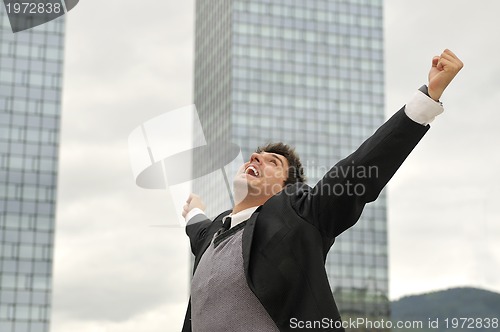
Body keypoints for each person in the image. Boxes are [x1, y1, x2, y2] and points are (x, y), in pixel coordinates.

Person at [181, 49, 463, 332]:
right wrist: (194, 209)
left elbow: (357, 172)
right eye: (255, 155)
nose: (256, 158)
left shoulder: (298, 215)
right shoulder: (212, 233)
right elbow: (197, 226)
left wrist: (427, 100)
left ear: (285, 189)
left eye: (273, 162)